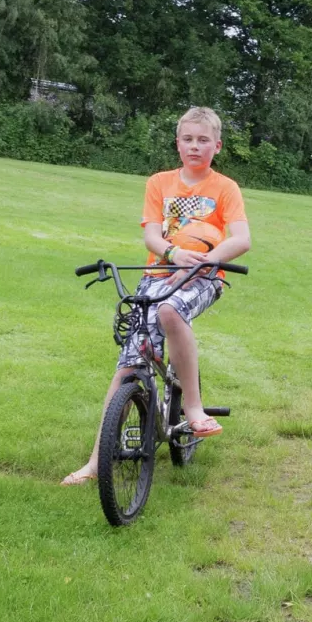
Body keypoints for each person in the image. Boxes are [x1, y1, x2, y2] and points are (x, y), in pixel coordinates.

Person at [63, 107, 251, 485]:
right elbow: (151, 236)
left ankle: (194, 409)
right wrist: (172, 254)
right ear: (178, 143)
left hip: (202, 277)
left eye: (202, 140)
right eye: (187, 139)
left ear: (217, 146)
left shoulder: (225, 188)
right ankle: (95, 463)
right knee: (128, 367)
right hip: (157, 273)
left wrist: (203, 261)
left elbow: (242, 239)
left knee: (170, 311)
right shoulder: (159, 182)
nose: (194, 146)